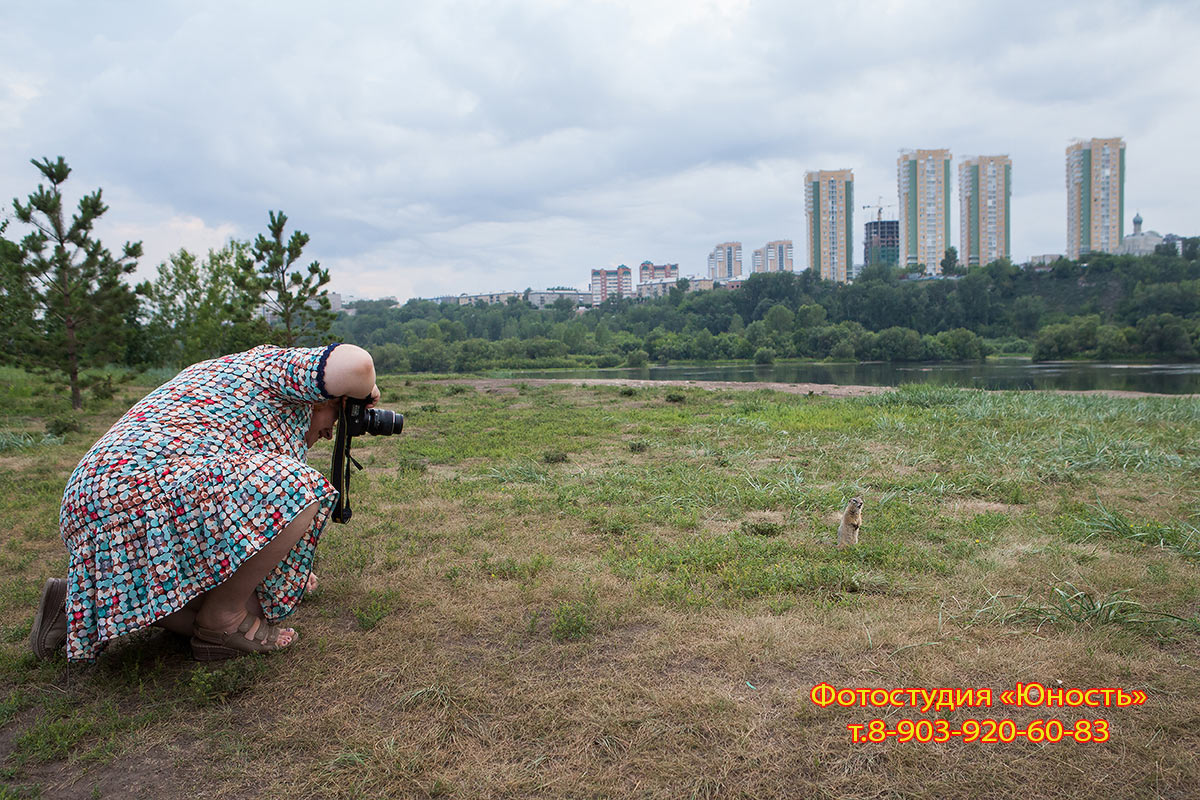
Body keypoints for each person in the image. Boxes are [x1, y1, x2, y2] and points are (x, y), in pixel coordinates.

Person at [29, 343, 379, 662]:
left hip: (100, 500)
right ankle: (222, 623)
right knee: (301, 489)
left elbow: (229, 507)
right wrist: (366, 393)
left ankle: (76, 600)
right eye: (336, 418)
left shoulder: (232, 377)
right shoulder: (276, 368)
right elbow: (357, 364)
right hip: (130, 492)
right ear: (321, 397)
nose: (331, 433)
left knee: (261, 598)